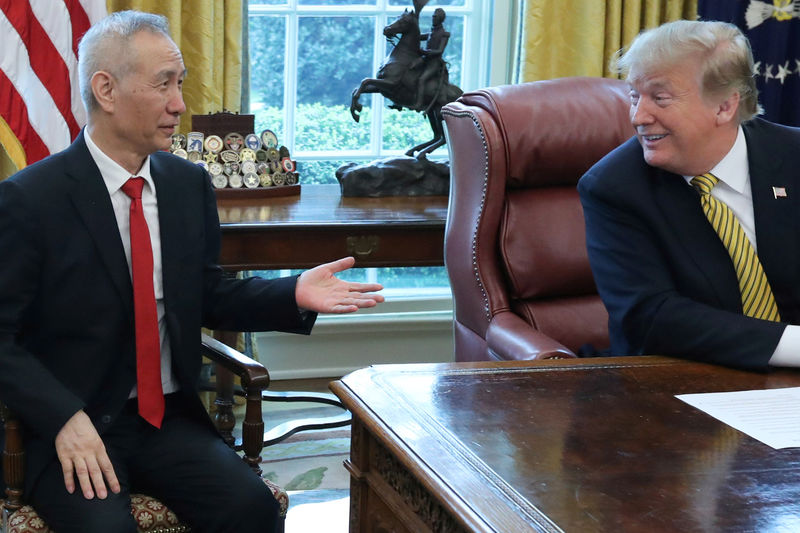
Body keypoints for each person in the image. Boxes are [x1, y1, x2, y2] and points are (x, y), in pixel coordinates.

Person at [0, 10, 383, 533]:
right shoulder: (29, 200)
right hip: (76, 424)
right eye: (164, 85)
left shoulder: (186, 185)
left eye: (179, 83)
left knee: (252, 510)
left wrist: (293, 290)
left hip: (167, 420)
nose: (180, 104)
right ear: (106, 90)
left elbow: (205, 294)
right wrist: (63, 419)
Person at [578, 19, 800, 371]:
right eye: (634, 96)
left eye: (660, 98)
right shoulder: (613, 187)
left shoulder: (793, 156)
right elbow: (652, 316)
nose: (638, 116)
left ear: (725, 107)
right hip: (674, 383)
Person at [413, 8, 449, 110]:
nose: (433, 18)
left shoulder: (444, 34)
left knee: (422, 79)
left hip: (434, 62)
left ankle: (419, 103)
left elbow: (439, 51)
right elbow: (416, 37)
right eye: (433, 16)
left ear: (440, 19)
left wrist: (426, 52)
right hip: (426, 59)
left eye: (435, 17)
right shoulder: (430, 33)